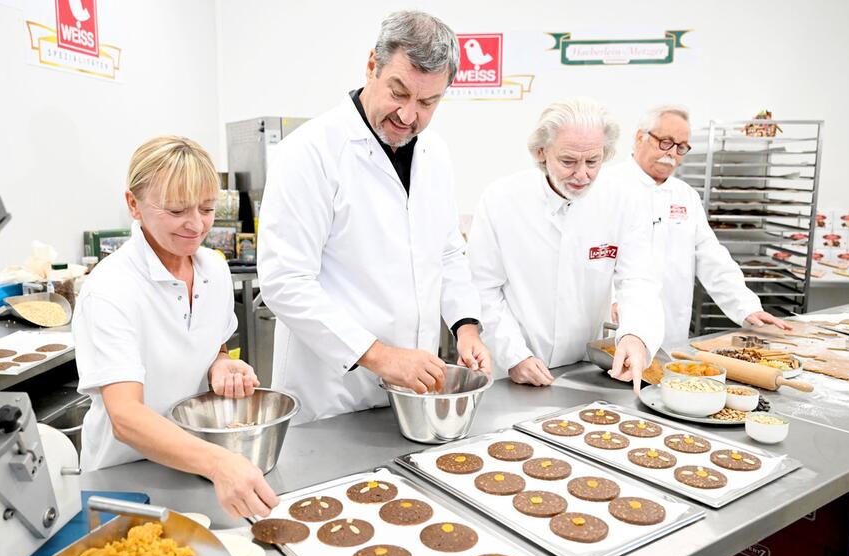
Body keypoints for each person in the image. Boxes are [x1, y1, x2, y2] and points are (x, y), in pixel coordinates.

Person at [257, 10, 491, 425]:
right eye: (398, 93)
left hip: (412, 390)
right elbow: (285, 281)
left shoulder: (435, 154)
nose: (408, 115)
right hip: (332, 394)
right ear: (372, 66)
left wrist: (466, 328)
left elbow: (448, 253)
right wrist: (380, 356)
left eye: (427, 102)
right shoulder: (310, 152)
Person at [73, 136, 278, 518]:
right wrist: (220, 463)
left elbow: (214, 342)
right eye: (176, 210)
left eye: (206, 209)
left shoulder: (213, 268)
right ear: (133, 204)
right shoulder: (110, 289)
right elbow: (126, 418)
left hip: (196, 467)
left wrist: (220, 363)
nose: (196, 225)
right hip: (126, 478)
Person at [466, 98, 664, 394]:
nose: (582, 174)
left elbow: (638, 280)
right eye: (568, 161)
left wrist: (636, 335)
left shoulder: (623, 201)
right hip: (511, 370)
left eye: (593, 161)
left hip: (584, 370)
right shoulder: (501, 199)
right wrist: (514, 355)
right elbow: (483, 288)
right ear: (541, 152)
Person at [605, 105, 791, 346]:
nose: (672, 153)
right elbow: (592, 256)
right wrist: (612, 299)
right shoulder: (607, 186)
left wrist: (746, 307)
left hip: (672, 327)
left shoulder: (686, 196)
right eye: (665, 142)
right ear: (640, 137)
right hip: (621, 322)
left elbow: (711, 256)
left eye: (681, 147)